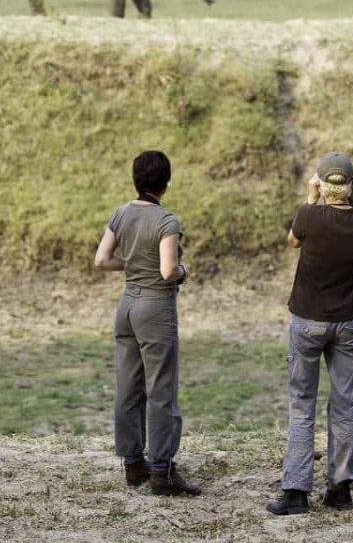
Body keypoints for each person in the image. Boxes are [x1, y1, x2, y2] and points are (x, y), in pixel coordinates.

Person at [266, 152, 353, 515]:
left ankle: (295, 491)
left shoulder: (309, 215)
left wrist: (311, 197)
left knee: (302, 406)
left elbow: (293, 241)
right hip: (348, 321)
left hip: (308, 320)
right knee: (346, 405)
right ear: (351, 185)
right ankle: (340, 488)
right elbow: (348, 210)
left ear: (321, 184)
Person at [94, 150, 201, 497]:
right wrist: (184, 272)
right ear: (165, 183)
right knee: (161, 390)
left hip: (126, 306)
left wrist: (132, 265)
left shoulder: (120, 213)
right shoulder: (167, 221)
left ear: (135, 180)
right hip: (156, 309)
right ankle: (162, 471)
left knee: (128, 387)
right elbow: (168, 271)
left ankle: (132, 463)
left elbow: (102, 259)